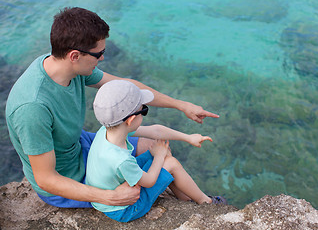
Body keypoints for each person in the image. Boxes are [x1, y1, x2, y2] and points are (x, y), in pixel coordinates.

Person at [5, 7, 219, 208]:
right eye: (98, 54)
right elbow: (46, 179)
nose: (103, 57)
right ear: (74, 56)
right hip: (67, 178)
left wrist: (182, 105)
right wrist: (109, 197)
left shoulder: (66, 67)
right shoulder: (33, 108)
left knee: (155, 145)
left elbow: (128, 88)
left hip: (80, 145)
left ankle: (187, 202)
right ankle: (200, 203)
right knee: (152, 171)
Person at [86, 80, 227, 222]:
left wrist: (189, 138)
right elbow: (149, 181)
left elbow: (155, 131)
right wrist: (159, 156)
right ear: (131, 120)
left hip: (113, 186)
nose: (145, 113)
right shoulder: (120, 159)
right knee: (169, 162)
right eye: (144, 110)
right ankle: (206, 202)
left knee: (164, 153)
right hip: (124, 209)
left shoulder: (107, 130)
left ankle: (185, 197)